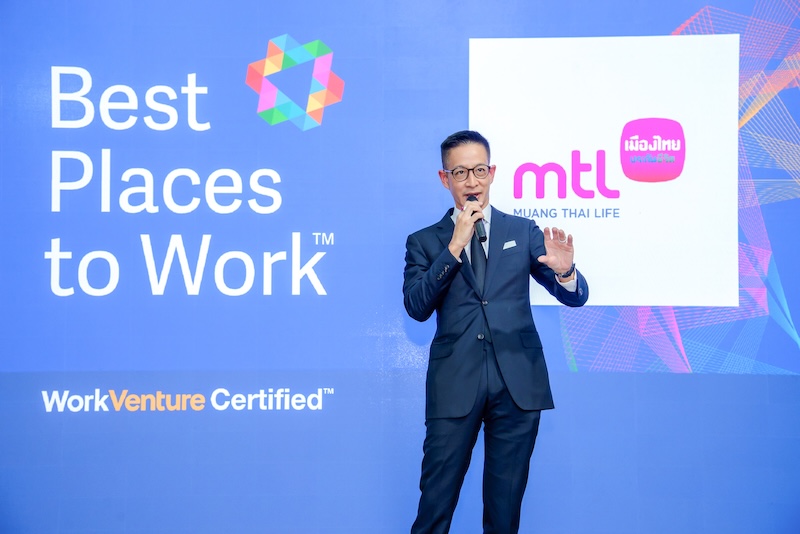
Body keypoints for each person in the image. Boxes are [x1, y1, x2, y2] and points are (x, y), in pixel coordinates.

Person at [403, 130, 589, 534]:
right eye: (460, 172)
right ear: (444, 178)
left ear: (493, 173)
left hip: (518, 383)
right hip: (455, 384)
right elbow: (416, 307)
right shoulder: (424, 242)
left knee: (505, 514)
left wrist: (566, 273)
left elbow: (573, 297)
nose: (471, 181)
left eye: (479, 170)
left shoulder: (522, 231)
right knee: (435, 506)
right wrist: (454, 247)